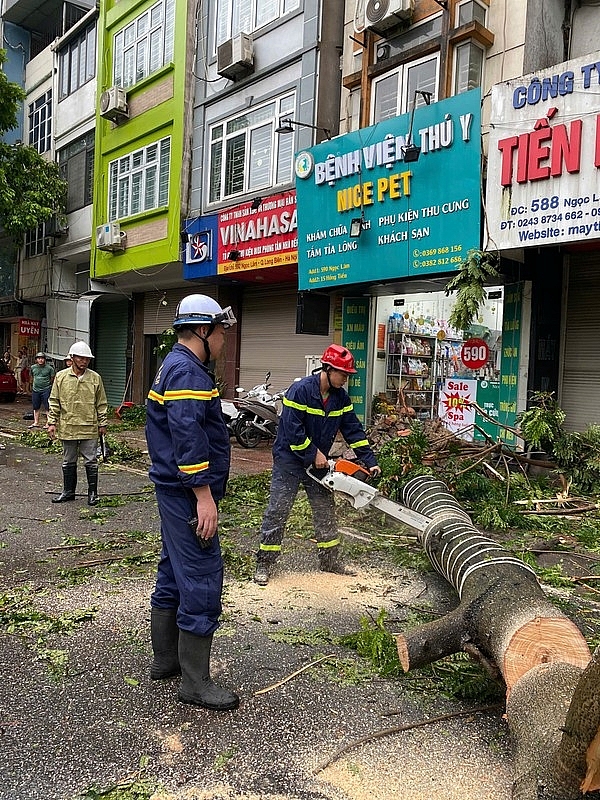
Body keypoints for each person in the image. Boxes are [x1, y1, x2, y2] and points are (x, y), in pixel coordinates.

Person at [145, 294, 239, 712]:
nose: (223, 339)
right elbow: (188, 436)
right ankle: (195, 683)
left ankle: (166, 660)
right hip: (186, 493)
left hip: (174, 490)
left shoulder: (178, 364)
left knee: (172, 571)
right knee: (201, 575)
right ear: (203, 330)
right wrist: (203, 495)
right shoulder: (187, 371)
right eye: (221, 331)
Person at [254, 344, 381, 586]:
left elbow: (353, 430)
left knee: (325, 510)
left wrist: (369, 461)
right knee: (278, 510)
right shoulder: (300, 390)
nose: (345, 380)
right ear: (328, 369)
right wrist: (313, 453)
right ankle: (265, 562)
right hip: (289, 460)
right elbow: (292, 431)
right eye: (343, 374)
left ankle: (329, 561)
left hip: (318, 462)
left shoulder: (340, 398)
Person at [46, 341, 108, 506]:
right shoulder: (61, 377)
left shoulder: (95, 378)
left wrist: (103, 424)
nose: (84, 361)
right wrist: (51, 422)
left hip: (89, 426)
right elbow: (54, 401)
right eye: (81, 358)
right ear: (72, 358)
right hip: (68, 426)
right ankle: (68, 492)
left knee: (91, 461)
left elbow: (101, 403)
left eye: (87, 359)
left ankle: (93, 494)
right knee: (68, 461)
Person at [29, 352, 55, 428]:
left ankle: (48, 422)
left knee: (47, 406)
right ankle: (36, 422)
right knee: (36, 406)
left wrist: (48, 386)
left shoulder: (49, 368)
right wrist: (30, 385)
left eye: (42, 358)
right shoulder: (33, 367)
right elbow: (31, 376)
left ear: (44, 360)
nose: (40, 360)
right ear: (36, 359)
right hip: (35, 389)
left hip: (46, 389)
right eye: (39, 358)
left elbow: (52, 378)